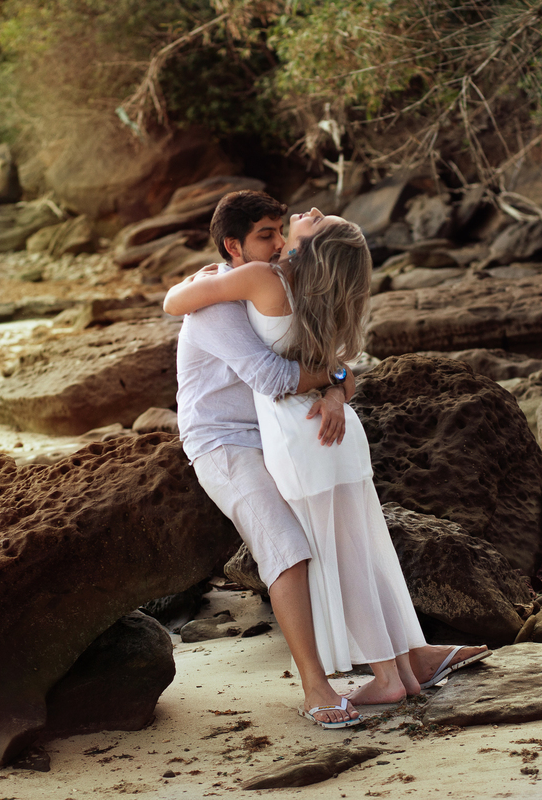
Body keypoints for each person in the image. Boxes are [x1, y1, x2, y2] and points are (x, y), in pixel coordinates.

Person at [167, 194, 490, 724]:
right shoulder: (216, 303)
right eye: (266, 235)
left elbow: (335, 365)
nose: (278, 243)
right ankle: (318, 687)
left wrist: (337, 389)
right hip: (226, 442)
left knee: (349, 541)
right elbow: (275, 376)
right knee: (288, 550)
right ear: (233, 246)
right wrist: (336, 377)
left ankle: (408, 658)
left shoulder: (280, 284)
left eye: (281, 231)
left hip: (283, 434)